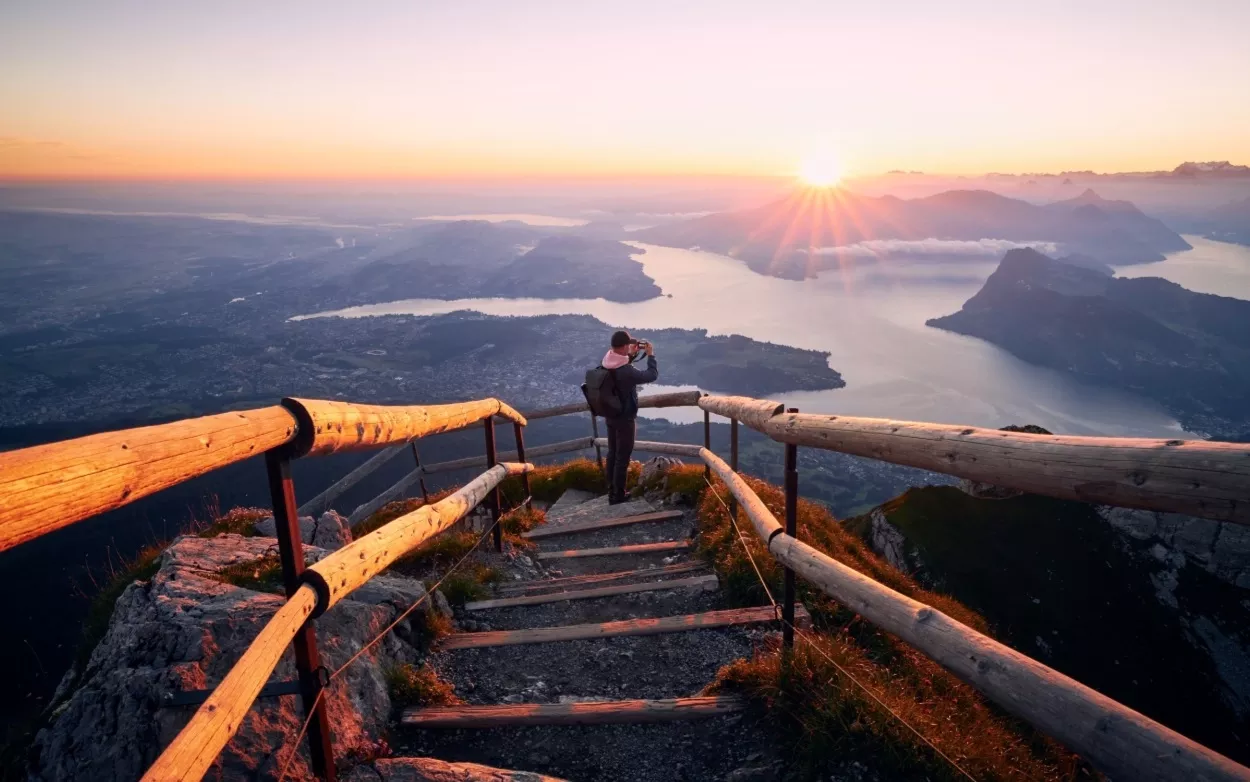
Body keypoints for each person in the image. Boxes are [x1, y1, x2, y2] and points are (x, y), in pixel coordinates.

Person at [600, 329, 658, 504]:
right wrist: (650, 355)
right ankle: (618, 496)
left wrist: (631, 356)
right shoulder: (626, 371)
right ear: (625, 346)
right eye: (629, 345)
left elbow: (620, 368)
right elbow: (651, 375)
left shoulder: (606, 361)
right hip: (625, 418)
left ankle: (611, 490)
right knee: (622, 457)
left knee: (612, 453)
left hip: (610, 415)